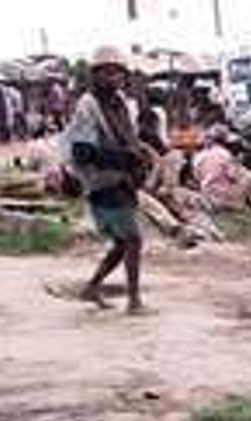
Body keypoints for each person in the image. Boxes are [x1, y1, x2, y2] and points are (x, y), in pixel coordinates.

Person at [66, 46, 153, 315]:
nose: (113, 77)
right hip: (103, 182)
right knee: (133, 240)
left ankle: (92, 288)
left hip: (121, 180)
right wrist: (124, 158)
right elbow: (82, 152)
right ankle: (134, 300)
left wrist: (141, 154)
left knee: (121, 242)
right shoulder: (88, 105)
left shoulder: (120, 103)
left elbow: (130, 138)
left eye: (118, 72)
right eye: (107, 72)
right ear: (95, 75)